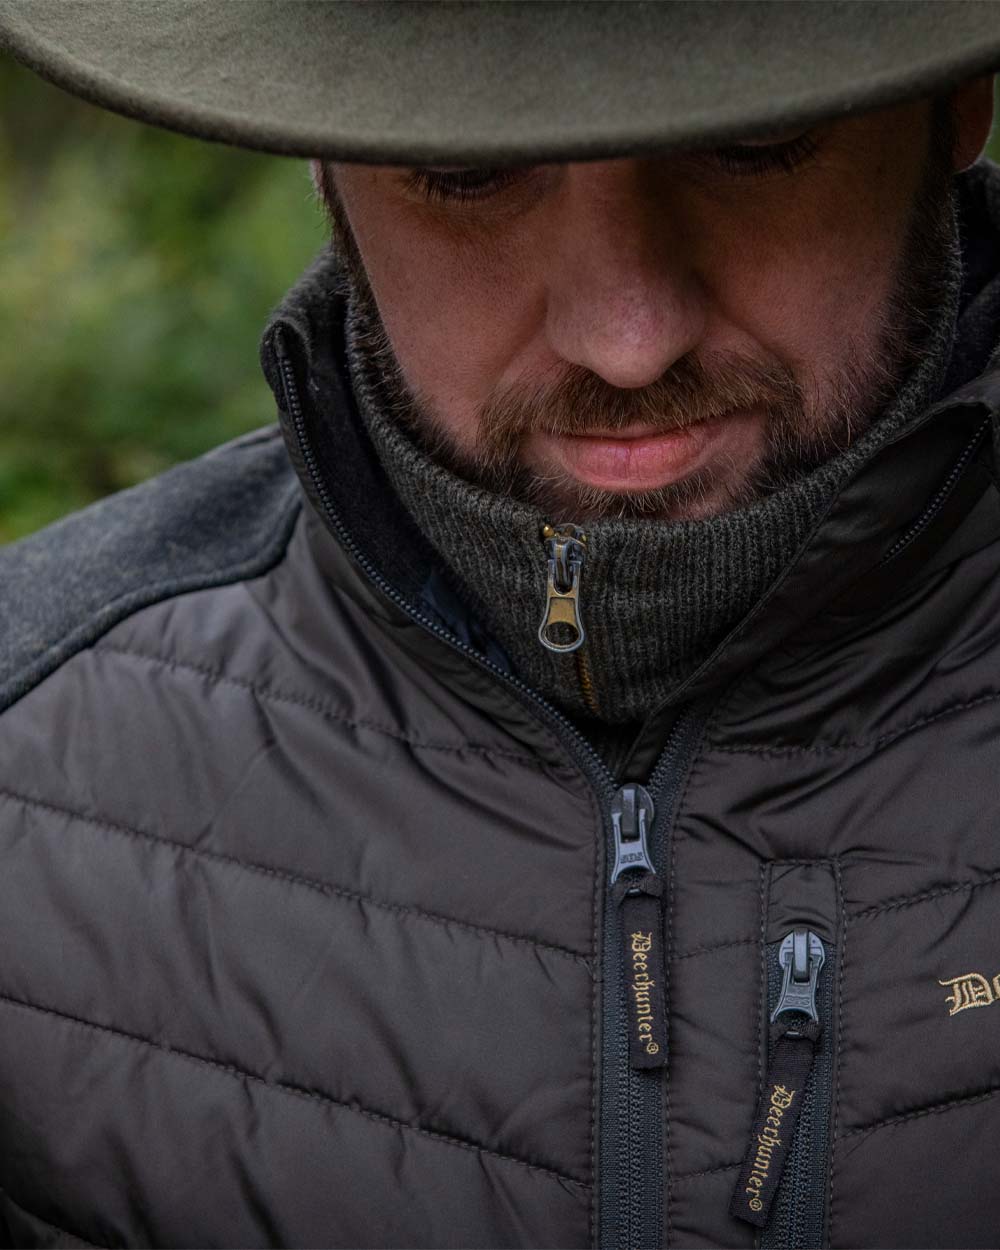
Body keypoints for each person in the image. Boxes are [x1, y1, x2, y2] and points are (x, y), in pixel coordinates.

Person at [2, 3, 1000, 1247]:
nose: (626, 338)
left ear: (954, 107)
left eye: (751, 142)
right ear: (326, 159)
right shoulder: (25, 787)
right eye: (468, 175)